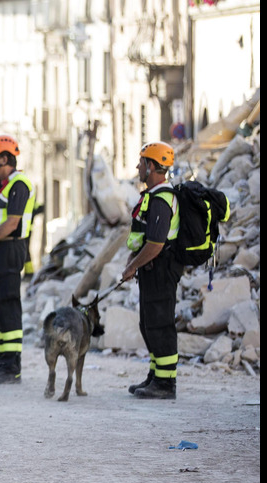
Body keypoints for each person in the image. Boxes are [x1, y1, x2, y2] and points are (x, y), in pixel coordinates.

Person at [122, 142, 181, 400]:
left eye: (142, 161)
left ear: (153, 166)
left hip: (161, 270)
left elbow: (156, 243)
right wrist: (134, 261)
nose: (138, 166)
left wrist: (132, 266)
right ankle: (156, 376)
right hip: (151, 269)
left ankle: (166, 384)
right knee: (148, 324)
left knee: (160, 324)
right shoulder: (152, 196)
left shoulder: (161, 200)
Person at [0, 134, 36, 384]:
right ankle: (2, 360)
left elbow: (12, 222)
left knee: (8, 304)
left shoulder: (19, 184)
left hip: (10, 250)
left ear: (4, 158)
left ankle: (12, 366)